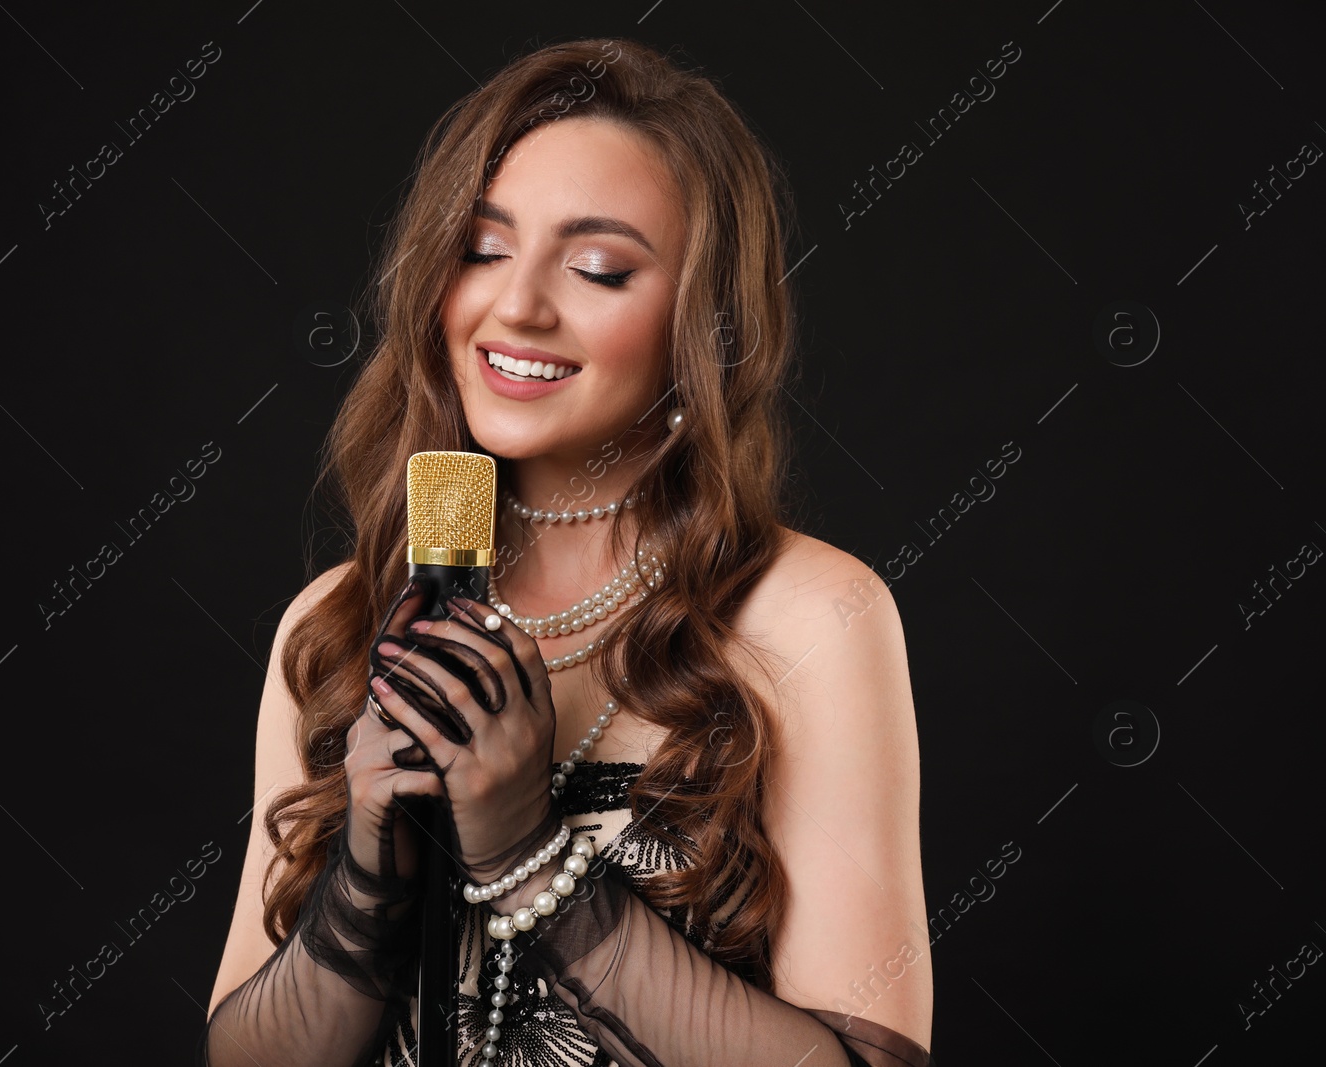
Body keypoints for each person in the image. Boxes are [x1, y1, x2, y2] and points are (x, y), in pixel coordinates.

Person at [201, 36, 935, 1067]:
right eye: (482, 248)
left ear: (704, 321)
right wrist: (371, 861)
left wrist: (527, 848)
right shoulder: (340, 620)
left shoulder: (811, 616)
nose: (518, 304)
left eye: (597, 266)